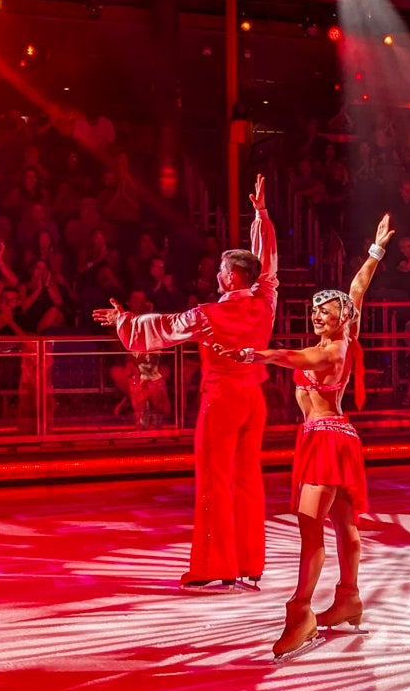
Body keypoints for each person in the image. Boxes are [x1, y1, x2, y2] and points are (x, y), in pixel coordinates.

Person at [94, 178, 278, 593]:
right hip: (255, 399)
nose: (215, 274)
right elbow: (268, 267)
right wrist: (261, 218)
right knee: (248, 478)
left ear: (232, 277)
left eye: (220, 270)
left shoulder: (209, 314)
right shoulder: (266, 302)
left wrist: (122, 320)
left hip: (223, 402)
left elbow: (164, 327)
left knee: (215, 478)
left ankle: (217, 565)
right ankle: (250, 561)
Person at [232, 214, 394, 662]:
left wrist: (257, 353)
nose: (319, 314)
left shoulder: (334, 349)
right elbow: (358, 287)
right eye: (315, 310)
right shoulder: (339, 335)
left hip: (327, 439)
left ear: (343, 318)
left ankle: (299, 611)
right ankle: (348, 597)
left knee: (311, 530)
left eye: (327, 310)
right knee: (344, 525)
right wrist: (375, 252)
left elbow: (292, 355)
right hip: (328, 436)